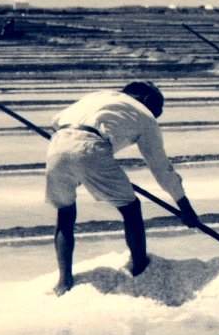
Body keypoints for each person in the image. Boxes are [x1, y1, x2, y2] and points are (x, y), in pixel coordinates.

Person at [45, 81, 200, 295]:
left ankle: (64, 282)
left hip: (57, 143)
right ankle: (140, 268)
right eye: (159, 108)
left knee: (65, 213)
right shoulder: (145, 116)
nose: (158, 115)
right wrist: (185, 207)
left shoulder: (99, 96)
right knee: (131, 208)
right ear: (148, 100)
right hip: (90, 146)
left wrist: (71, 154)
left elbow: (56, 121)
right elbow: (161, 169)